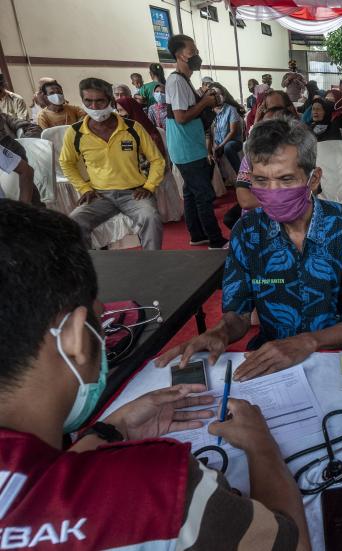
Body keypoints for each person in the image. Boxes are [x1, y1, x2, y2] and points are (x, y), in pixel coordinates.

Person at [0, 201, 310, 550]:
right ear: (74, 337)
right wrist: (260, 445)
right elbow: (293, 543)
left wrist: (110, 430)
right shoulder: (156, 490)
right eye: (99, 321)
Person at [158, 118, 342, 381]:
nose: (272, 192)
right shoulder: (248, 233)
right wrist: (220, 331)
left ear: (314, 179)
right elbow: (239, 314)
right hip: (276, 361)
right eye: (261, 181)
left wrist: (306, 342)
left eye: (286, 179)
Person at [59, 78, 164, 250]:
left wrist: (149, 186)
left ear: (110, 101)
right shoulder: (75, 132)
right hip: (100, 195)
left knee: (150, 218)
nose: (94, 106)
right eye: (88, 101)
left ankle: (153, 264)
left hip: (134, 193)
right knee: (74, 223)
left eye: (99, 100)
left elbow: (157, 160)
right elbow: (66, 162)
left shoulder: (132, 128)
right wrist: (84, 188)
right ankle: (87, 267)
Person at [165, 34, 227, 249]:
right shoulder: (176, 80)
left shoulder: (183, 81)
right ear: (180, 55)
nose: (196, 55)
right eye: (192, 51)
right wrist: (206, 102)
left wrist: (202, 98)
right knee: (203, 195)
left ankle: (198, 234)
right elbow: (181, 117)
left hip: (189, 145)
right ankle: (216, 241)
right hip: (187, 148)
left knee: (191, 194)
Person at [209, 82, 245, 173]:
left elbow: (232, 132)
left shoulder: (230, 109)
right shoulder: (209, 112)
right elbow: (209, 134)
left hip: (232, 141)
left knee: (228, 147)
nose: (219, 97)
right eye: (215, 95)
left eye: (220, 94)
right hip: (217, 143)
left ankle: (241, 174)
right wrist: (214, 147)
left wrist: (221, 145)